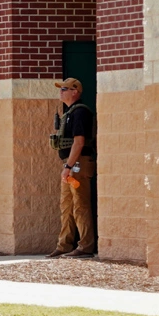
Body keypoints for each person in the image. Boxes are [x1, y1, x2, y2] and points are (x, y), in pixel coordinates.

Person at [47, 77, 97, 258]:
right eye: (61, 89)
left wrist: (68, 166)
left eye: (65, 89)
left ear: (75, 91)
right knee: (66, 205)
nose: (61, 91)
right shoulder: (69, 112)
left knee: (80, 205)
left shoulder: (80, 112)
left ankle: (85, 246)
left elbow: (79, 141)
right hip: (69, 164)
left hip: (78, 164)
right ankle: (64, 244)